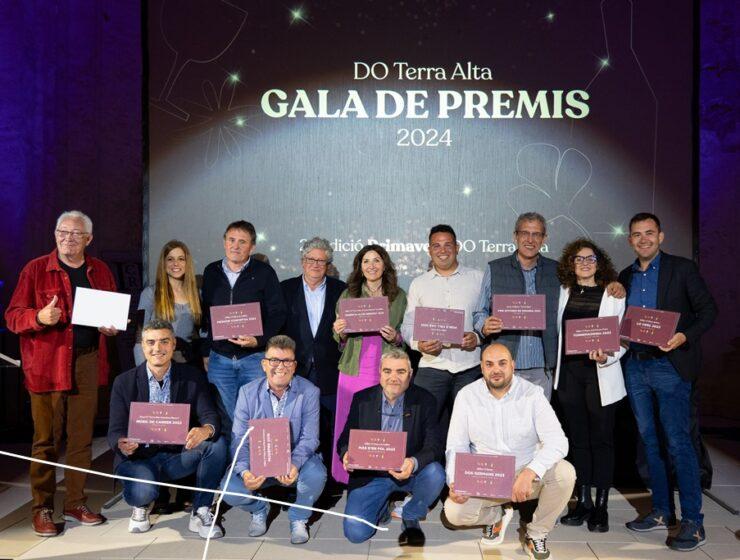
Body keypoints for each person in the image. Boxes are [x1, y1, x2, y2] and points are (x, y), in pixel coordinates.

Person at [5, 210, 118, 536]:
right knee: (46, 440)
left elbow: (111, 314)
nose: (68, 238)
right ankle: (42, 508)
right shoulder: (36, 269)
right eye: (62, 232)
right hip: (46, 365)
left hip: (87, 361)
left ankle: (75, 503)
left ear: (88, 239)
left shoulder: (100, 270)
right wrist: (38, 317)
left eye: (75, 233)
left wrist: (111, 327)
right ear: (55, 235)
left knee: (81, 439)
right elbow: (12, 317)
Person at [619, 213, 717, 551]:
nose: (643, 239)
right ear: (630, 240)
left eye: (649, 233)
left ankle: (693, 522)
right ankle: (662, 510)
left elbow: (708, 311)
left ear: (661, 236)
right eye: (637, 234)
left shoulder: (682, 269)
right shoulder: (625, 276)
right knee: (649, 443)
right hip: (637, 366)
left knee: (678, 443)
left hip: (670, 366)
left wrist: (683, 336)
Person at [473, 212, 624, 400]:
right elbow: (479, 313)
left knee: (539, 418)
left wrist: (611, 283)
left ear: (544, 238)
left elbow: (585, 283)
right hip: (504, 364)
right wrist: (484, 325)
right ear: (515, 236)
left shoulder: (556, 270)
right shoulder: (495, 268)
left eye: (536, 234)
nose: (530, 239)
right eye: (525, 233)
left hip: (543, 367)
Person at [444, 343, 575, 560]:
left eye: (502, 363)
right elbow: (456, 445)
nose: (496, 369)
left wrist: (530, 472)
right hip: (485, 477)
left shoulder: (532, 394)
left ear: (513, 365)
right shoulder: (466, 395)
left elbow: (558, 441)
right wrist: (454, 481)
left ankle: (537, 533)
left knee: (565, 473)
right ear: (481, 368)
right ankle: (496, 515)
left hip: (525, 474)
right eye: (489, 364)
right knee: (454, 513)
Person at [108, 320, 227, 537]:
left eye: (164, 341)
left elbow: (210, 415)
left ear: (173, 344)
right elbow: (115, 430)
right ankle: (141, 506)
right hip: (138, 458)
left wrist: (206, 430)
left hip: (176, 458)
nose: (157, 348)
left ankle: (201, 510)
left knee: (216, 444)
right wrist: (122, 444)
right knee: (142, 492)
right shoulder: (123, 382)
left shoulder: (192, 376)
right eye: (151, 342)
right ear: (142, 346)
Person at [221, 335, 326, 545]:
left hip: (295, 458)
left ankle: (299, 517)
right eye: (274, 360)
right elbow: (239, 438)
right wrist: (245, 471)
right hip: (259, 460)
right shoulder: (247, 392)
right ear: (263, 364)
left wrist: (294, 464)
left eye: (287, 361)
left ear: (294, 366)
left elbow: (310, 438)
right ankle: (259, 508)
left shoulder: (309, 392)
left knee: (316, 475)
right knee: (229, 489)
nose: (280, 366)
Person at [554, 239, 626, 532]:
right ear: (570, 264)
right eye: (578, 259)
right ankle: (583, 502)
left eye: (590, 258)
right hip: (569, 377)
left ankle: (601, 507)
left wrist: (608, 355)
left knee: (602, 441)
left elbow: (623, 338)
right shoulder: (563, 291)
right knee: (579, 441)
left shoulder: (613, 294)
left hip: (600, 376)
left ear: (599, 262)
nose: (585, 263)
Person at [338, 348, 445, 546]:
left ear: (410, 374)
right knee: (356, 533)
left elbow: (435, 445)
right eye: (387, 371)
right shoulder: (362, 399)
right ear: (380, 372)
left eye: (400, 372)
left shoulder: (425, 400)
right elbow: (345, 438)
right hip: (371, 476)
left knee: (436, 473)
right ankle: (382, 508)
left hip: (409, 472)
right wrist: (346, 453)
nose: (393, 378)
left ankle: (411, 513)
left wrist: (413, 463)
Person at [331, 244, 407, 485]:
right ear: (359, 267)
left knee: (383, 423)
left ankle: (382, 479)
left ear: (385, 265)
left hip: (385, 368)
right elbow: (338, 338)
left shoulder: (399, 296)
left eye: (376, 260)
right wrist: (340, 331)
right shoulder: (348, 295)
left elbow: (406, 334)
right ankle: (346, 476)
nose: (371, 265)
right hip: (354, 367)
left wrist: (396, 337)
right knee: (349, 421)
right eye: (366, 261)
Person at [200, 220, 287, 420]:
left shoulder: (264, 273)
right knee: (227, 418)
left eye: (242, 242)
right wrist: (206, 350)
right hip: (219, 358)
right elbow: (206, 314)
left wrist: (259, 340)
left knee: (257, 416)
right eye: (231, 240)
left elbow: (278, 313)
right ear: (224, 242)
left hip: (253, 358)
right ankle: (234, 443)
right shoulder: (211, 271)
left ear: (252, 246)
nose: (235, 246)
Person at [400, 225, 483, 424]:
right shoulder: (419, 284)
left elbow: (489, 317)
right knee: (419, 424)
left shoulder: (478, 279)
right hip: (432, 365)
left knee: (473, 426)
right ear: (429, 250)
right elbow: (407, 326)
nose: (442, 250)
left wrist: (478, 338)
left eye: (448, 245)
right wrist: (419, 344)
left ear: (457, 247)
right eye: (436, 246)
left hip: (470, 366)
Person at [280, 237, 346, 475]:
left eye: (322, 261)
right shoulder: (284, 289)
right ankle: (291, 475)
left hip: (330, 371)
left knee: (329, 427)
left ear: (328, 264)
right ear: (302, 261)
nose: (316, 265)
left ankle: (328, 480)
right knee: (295, 426)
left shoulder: (342, 290)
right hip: (295, 371)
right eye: (311, 259)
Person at [134, 240, 202, 366]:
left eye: (181, 259)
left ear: (187, 263)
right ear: (164, 263)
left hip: (186, 363)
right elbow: (139, 338)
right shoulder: (149, 294)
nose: (176, 263)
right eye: (170, 259)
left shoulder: (196, 294)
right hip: (158, 363)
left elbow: (203, 333)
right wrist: (143, 371)